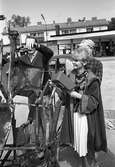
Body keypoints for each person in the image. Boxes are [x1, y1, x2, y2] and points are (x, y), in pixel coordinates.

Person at [69, 60, 107, 167]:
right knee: (79, 143)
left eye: (77, 60)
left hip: (87, 116)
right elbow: (65, 95)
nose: (74, 62)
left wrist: (77, 95)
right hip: (75, 114)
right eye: (73, 59)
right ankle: (84, 163)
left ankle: (92, 164)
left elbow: (94, 101)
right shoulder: (72, 74)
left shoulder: (93, 79)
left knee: (88, 142)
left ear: (84, 62)